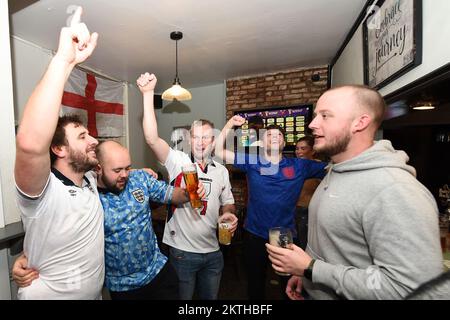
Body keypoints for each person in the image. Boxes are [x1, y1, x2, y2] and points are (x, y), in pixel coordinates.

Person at [266, 85, 443, 300]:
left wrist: (312, 269)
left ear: (360, 122)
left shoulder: (395, 190)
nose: (312, 124)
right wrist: (307, 276)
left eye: (325, 116)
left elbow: (412, 289)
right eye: (315, 116)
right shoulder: (335, 170)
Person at [13, 140, 206, 300]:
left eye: (128, 168)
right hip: (123, 288)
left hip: (159, 273)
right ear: (98, 168)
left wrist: (190, 192)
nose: (124, 175)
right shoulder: (88, 195)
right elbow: (57, 230)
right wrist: (26, 256)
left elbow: (173, 195)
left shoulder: (139, 178)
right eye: (117, 170)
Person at [13, 7, 103, 299]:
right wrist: (63, 61)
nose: (93, 140)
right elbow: (29, 142)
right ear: (59, 149)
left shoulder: (88, 180)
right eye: (82, 136)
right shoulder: (44, 191)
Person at [137, 72, 238, 300]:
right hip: (183, 253)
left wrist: (229, 216)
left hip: (214, 252)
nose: (201, 142)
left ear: (213, 141)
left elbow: (228, 204)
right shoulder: (178, 161)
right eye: (196, 137)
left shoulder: (221, 171)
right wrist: (147, 94)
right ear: (189, 139)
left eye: (206, 138)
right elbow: (152, 139)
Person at [215, 117, 327, 300]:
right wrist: (229, 125)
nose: (274, 137)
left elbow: (335, 167)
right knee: (255, 283)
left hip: (285, 234)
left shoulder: (300, 165)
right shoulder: (253, 161)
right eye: (269, 135)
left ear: (284, 142)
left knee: (289, 286)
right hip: (254, 233)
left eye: (278, 135)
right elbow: (219, 151)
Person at [294, 136, 322, 250]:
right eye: (297, 149)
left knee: (304, 246)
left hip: (306, 212)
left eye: (303, 148)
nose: (299, 152)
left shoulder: (319, 167)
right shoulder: (295, 166)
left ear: (313, 151)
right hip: (292, 211)